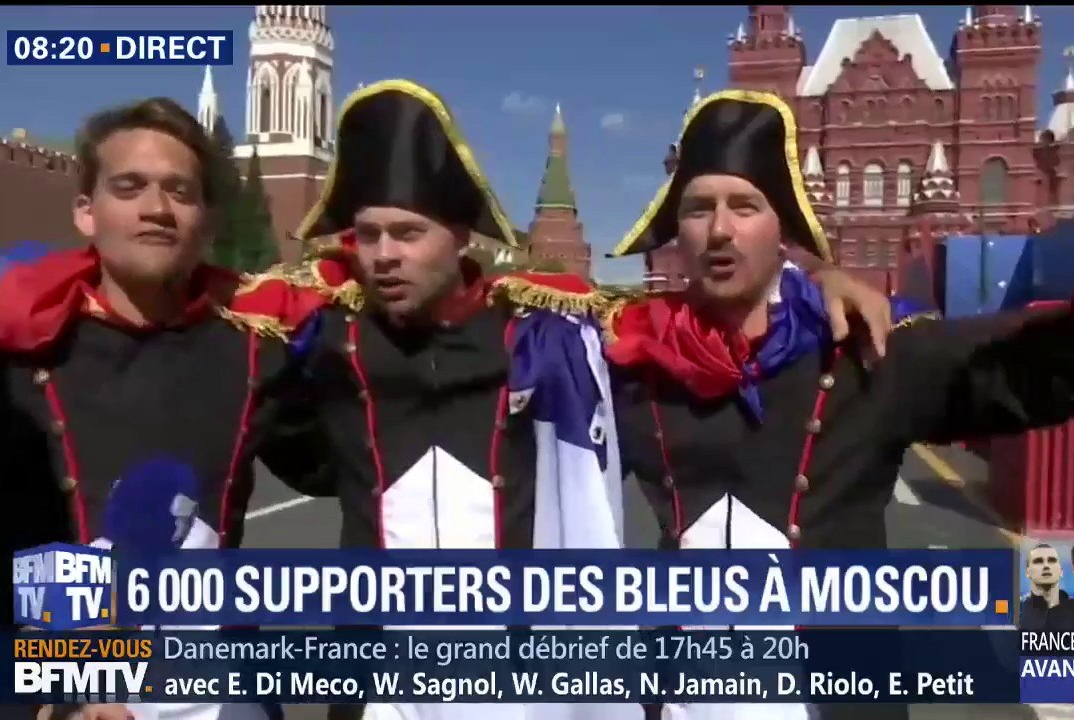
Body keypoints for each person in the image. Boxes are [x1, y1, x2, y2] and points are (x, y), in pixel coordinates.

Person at [230, 79, 895, 720]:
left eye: (407, 233)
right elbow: (279, 436)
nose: (382, 255)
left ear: (462, 236)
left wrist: (819, 275)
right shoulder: (327, 338)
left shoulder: (537, 335)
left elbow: (688, 326)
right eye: (367, 235)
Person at [600, 80, 1074, 720]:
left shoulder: (865, 353)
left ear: (782, 227)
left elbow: (1048, 368)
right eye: (700, 207)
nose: (721, 230)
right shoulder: (630, 356)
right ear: (677, 228)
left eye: (745, 205)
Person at [0, 98, 332, 720]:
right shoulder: (10, 350)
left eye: (180, 191)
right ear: (86, 211)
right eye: (129, 187)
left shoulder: (258, 349)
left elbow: (352, 460)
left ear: (206, 220)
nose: (156, 209)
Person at [1019, 543, 1070, 630]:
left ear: (1061, 571)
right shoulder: (1017, 612)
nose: (1046, 566)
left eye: (1051, 560)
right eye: (1038, 561)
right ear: (1028, 572)